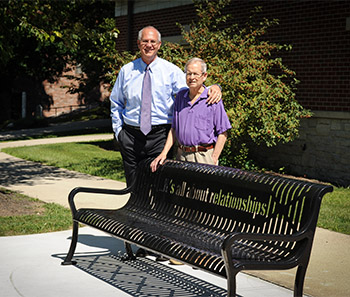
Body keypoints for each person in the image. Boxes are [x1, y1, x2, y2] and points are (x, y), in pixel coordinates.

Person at [110, 26, 222, 188]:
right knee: (133, 186)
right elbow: (116, 103)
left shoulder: (171, 71)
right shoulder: (126, 71)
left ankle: (155, 213)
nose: (149, 45)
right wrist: (119, 132)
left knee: (159, 185)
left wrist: (216, 86)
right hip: (131, 136)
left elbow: (193, 87)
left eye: (153, 41)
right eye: (145, 41)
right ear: (138, 43)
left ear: (159, 44)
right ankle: (136, 212)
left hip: (160, 136)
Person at [150, 57, 231, 172]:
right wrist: (164, 153)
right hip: (181, 156)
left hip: (203, 157)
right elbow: (174, 130)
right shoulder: (180, 97)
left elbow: (223, 133)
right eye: (188, 74)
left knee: (202, 190)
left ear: (204, 76)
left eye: (195, 74)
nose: (192, 77)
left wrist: (213, 158)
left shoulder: (212, 99)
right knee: (181, 190)